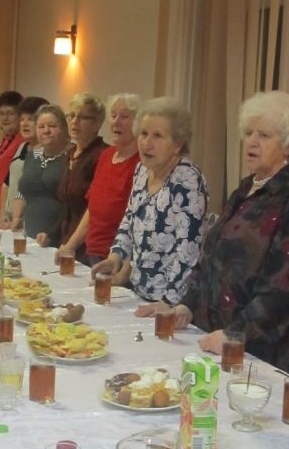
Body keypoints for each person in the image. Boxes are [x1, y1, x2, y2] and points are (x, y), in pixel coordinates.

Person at [157, 91, 289, 375]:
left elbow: (285, 289)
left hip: (259, 353)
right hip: (212, 338)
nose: (252, 142)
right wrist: (188, 305)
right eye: (248, 132)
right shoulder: (246, 189)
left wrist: (235, 334)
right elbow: (211, 255)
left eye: (264, 135)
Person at [91, 97, 207, 304]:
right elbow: (129, 219)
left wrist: (168, 302)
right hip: (137, 291)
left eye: (158, 136)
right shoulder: (142, 170)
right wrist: (114, 257)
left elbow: (188, 250)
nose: (147, 143)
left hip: (167, 301)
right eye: (143, 134)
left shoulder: (187, 180)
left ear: (177, 144)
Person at [57, 93, 141, 265]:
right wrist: (70, 246)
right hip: (91, 249)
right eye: (113, 116)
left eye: (124, 117)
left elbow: (137, 221)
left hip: (117, 257)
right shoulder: (107, 155)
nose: (117, 122)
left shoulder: (141, 162)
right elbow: (93, 208)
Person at [51, 93, 108, 260]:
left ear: (97, 123)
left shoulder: (102, 155)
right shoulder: (71, 153)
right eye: (72, 115)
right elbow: (66, 206)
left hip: (88, 248)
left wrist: (71, 244)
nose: (75, 121)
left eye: (83, 117)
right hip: (66, 240)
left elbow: (93, 209)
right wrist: (50, 234)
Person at [15, 104, 71, 244]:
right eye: (41, 127)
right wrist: (15, 217)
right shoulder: (33, 155)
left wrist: (52, 233)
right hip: (30, 237)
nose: (46, 131)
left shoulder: (73, 155)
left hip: (60, 238)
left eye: (52, 126)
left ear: (64, 128)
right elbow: (23, 189)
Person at [0, 96, 48, 225]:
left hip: (28, 222)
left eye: (30, 119)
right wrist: (3, 213)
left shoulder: (45, 151)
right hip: (11, 219)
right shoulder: (22, 146)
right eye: (22, 119)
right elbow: (7, 183)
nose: (24, 124)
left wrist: (18, 218)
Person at [0, 90, 23, 210]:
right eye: (1, 113)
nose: (5, 118)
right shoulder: (5, 139)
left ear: (20, 115)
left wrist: (3, 210)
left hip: (11, 205)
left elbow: (18, 183)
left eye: (10, 113)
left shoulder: (23, 141)